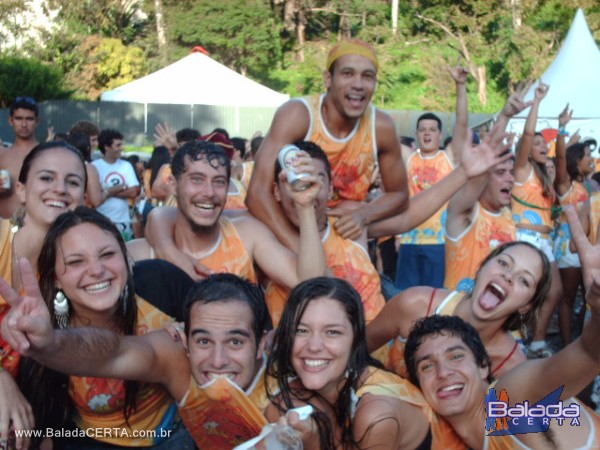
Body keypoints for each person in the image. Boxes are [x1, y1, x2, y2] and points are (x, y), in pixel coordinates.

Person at [0, 272, 275, 449]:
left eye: (236, 341)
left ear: (263, 343)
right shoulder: (179, 359)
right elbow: (113, 352)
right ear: (184, 338)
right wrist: (49, 342)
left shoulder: (288, 393)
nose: (217, 360)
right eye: (203, 340)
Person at [3, 207, 194, 449]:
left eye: (107, 254)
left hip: (180, 434)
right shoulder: (43, 326)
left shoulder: (161, 282)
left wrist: (196, 334)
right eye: (75, 262)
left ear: (126, 256)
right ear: (56, 279)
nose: (96, 270)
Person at [404, 246, 600, 450]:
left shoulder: (508, 397)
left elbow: (588, 354)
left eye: (456, 357)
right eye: (427, 366)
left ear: (483, 366)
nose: (443, 372)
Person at [264, 277, 466, 449]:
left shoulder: (376, 414)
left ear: (355, 340)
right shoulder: (294, 393)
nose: (314, 346)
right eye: (301, 330)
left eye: (332, 332)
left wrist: (315, 444)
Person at [247, 38, 409, 250]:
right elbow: (257, 194)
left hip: (346, 238)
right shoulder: (298, 115)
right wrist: (303, 252)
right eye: (347, 73)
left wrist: (363, 214)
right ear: (328, 79)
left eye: (367, 76)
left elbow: (400, 195)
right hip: (291, 236)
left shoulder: (381, 126)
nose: (358, 84)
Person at [128, 140, 327, 290]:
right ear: (172, 183)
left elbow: (308, 282)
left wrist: (305, 206)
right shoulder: (139, 255)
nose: (209, 192)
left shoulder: (246, 235)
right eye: (197, 179)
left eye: (219, 182)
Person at [368, 241, 551, 380]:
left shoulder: (511, 368)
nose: (508, 276)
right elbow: (355, 351)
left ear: (526, 306)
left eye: (524, 280)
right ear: (482, 268)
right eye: (503, 263)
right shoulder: (416, 304)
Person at [443, 83, 534, 292]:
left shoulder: (508, 217)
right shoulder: (465, 213)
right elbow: (483, 163)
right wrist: (505, 116)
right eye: (500, 173)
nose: (510, 179)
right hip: (458, 320)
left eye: (511, 173)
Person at [396, 66, 468, 290]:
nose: (427, 133)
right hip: (409, 241)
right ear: (416, 135)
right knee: (406, 299)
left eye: (432, 129)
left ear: (440, 134)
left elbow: (462, 123)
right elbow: (378, 133)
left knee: (435, 299)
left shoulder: (448, 157)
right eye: (422, 130)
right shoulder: (408, 157)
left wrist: (460, 85)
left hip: (439, 243)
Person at [512, 82, 563, 358]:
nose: (543, 145)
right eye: (538, 143)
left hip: (544, 242)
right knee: (523, 294)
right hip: (526, 239)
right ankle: (517, 339)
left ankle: (537, 341)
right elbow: (528, 132)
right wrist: (536, 103)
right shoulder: (522, 169)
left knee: (554, 291)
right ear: (526, 148)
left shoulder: (544, 176)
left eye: (545, 143)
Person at [553, 106, 592, 346]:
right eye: (588, 155)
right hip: (569, 250)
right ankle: (568, 346)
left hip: (585, 247)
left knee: (586, 297)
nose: (592, 159)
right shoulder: (565, 185)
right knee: (567, 299)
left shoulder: (586, 186)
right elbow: (559, 158)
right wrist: (562, 129)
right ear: (577, 161)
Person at [92, 129, 140, 241]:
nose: (122, 148)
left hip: (125, 220)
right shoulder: (94, 167)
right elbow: (93, 196)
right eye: (118, 145)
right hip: (102, 222)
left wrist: (107, 191)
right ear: (106, 147)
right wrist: (120, 188)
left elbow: (134, 191)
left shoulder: (126, 165)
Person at [0, 96, 40, 219]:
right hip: (4, 231)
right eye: (18, 118)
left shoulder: (47, 154)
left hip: (38, 229)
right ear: (10, 121)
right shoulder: (2, 155)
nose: (24, 124)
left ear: (37, 121)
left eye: (29, 119)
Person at [66, 131, 105, 208]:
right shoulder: (88, 168)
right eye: (93, 141)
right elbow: (96, 201)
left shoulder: (61, 166)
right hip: (81, 214)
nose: (96, 144)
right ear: (88, 148)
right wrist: (109, 192)